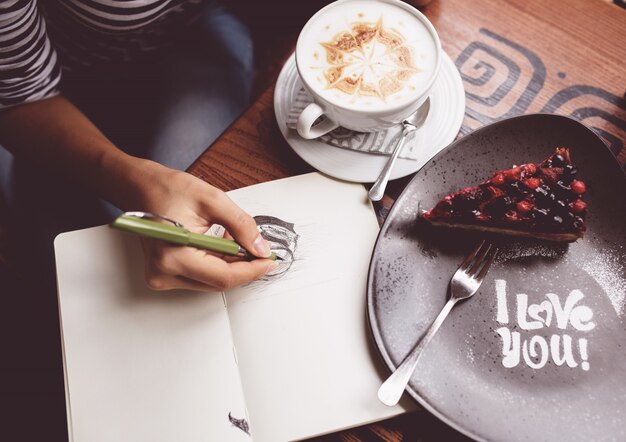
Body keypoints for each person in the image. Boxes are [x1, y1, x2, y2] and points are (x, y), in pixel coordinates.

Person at [0, 0, 279, 293]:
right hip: (41, 85)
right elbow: (20, 94)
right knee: (98, 265)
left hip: (195, 31)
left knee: (193, 232)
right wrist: (135, 183)